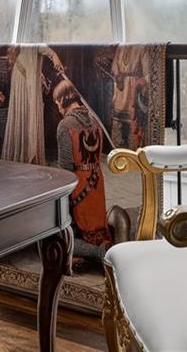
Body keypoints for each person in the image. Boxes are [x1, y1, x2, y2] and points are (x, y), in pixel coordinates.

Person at [53, 80, 113, 260]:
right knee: (96, 228)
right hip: (96, 180)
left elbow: (66, 167)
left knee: (58, 237)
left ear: (63, 100)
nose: (58, 108)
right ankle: (102, 247)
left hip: (78, 184)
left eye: (57, 103)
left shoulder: (65, 125)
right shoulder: (95, 121)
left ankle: (97, 253)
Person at [1, 44, 63, 165]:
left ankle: (26, 153)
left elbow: (31, 55)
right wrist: (53, 55)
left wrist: (39, 75)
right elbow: (35, 46)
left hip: (24, 71)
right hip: (22, 75)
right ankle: (25, 154)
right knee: (26, 112)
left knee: (29, 113)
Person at [110, 45, 152, 149]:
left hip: (134, 96)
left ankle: (134, 158)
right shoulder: (120, 47)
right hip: (119, 95)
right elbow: (114, 68)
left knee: (134, 132)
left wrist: (138, 84)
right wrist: (117, 76)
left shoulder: (142, 47)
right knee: (117, 132)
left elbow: (148, 74)